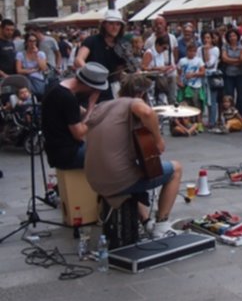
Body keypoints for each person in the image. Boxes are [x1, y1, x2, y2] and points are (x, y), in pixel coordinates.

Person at [84, 73, 183, 238]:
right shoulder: (134, 102)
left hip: (93, 179)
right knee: (176, 169)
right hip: (117, 179)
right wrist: (158, 140)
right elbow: (147, 113)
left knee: (132, 171)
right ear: (142, 93)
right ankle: (161, 225)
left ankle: (146, 221)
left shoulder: (103, 105)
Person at [42, 62, 106, 170]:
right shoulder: (67, 98)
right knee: (110, 153)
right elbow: (79, 134)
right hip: (67, 154)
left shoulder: (57, 86)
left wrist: (89, 111)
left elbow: (73, 113)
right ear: (89, 86)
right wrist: (91, 105)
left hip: (55, 149)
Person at [75, 9, 128, 102]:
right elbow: (79, 60)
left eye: (118, 24)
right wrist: (92, 74)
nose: (115, 27)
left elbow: (119, 70)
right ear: (104, 25)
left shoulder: (122, 44)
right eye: (111, 24)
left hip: (109, 88)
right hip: (89, 87)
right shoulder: (92, 40)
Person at [144, 15, 179, 103]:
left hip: (170, 73)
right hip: (156, 75)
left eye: (161, 23)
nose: (159, 26)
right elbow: (145, 62)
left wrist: (172, 66)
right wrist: (156, 68)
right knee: (159, 99)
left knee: (172, 98)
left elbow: (175, 53)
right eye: (157, 24)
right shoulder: (150, 41)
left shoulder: (172, 38)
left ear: (165, 24)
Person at [142, 35, 177, 105]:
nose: (164, 50)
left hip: (161, 77)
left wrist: (168, 68)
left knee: (172, 79)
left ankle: (172, 102)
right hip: (152, 79)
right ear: (158, 45)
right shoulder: (150, 53)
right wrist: (156, 68)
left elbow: (161, 66)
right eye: (164, 48)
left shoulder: (160, 53)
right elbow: (144, 67)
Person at [177, 43, 206, 124]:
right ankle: (187, 122)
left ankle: (199, 123)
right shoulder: (182, 61)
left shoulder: (199, 60)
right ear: (187, 51)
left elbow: (203, 72)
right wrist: (179, 82)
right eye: (190, 51)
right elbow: (178, 73)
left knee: (197, 105)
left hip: (196, 86)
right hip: (185, 86)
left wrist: (194, 74)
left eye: (194, 51)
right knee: (186, 105)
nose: (192, 53)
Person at [221, 29, 242, 115]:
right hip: (229, 74)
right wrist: (237, 61)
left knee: (241, 96)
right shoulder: (225, 46)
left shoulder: (241, 46)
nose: (232, 38)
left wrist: (231, 61)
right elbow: (224, 58)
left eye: (234, 36)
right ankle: (229, 113)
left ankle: (240, 114)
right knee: (229, 95)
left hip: (240, 74)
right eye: (230, 36)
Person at [198, 30, 221, 128]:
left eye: (208, 38)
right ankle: (201, 121)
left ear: (212, 39)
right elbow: (199, 62)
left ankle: (212, 121)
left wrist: (207, 51)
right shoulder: (199, 49)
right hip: (202, 76)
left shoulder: (215, 49)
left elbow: (209, 64)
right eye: (204, 38)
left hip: (212, 76)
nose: (206, 40)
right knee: (203, 99)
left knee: (212, 99)